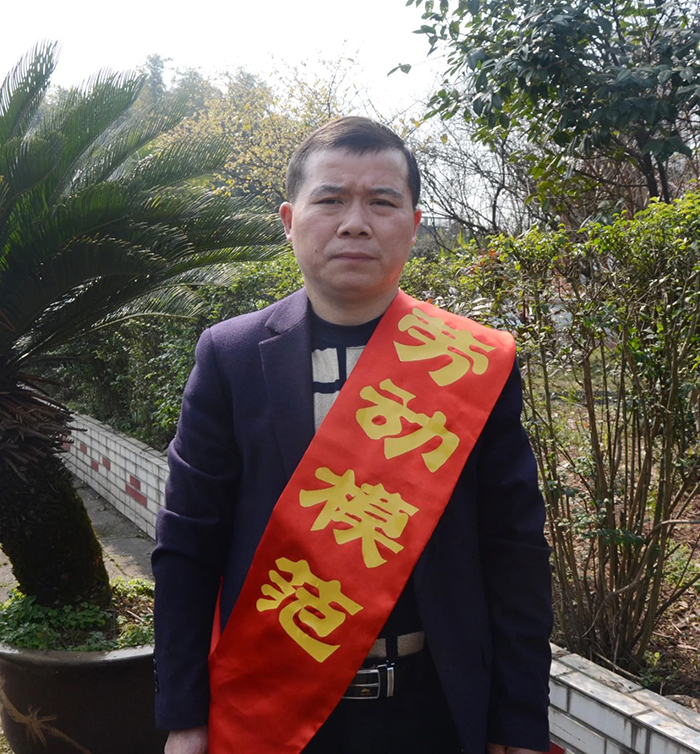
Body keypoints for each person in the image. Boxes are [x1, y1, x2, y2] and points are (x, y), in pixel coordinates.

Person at [152, 116, 553, 754]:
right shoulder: (231, 357)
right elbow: (188, 545)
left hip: (438, 713)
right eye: (331, 199)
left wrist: (519, 719)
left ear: (414, 225)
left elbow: (514, 551)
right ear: (290, 221)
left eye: (382, 202)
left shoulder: (471, 364)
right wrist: (184, 716)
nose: (355, 223)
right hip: (276, 709)